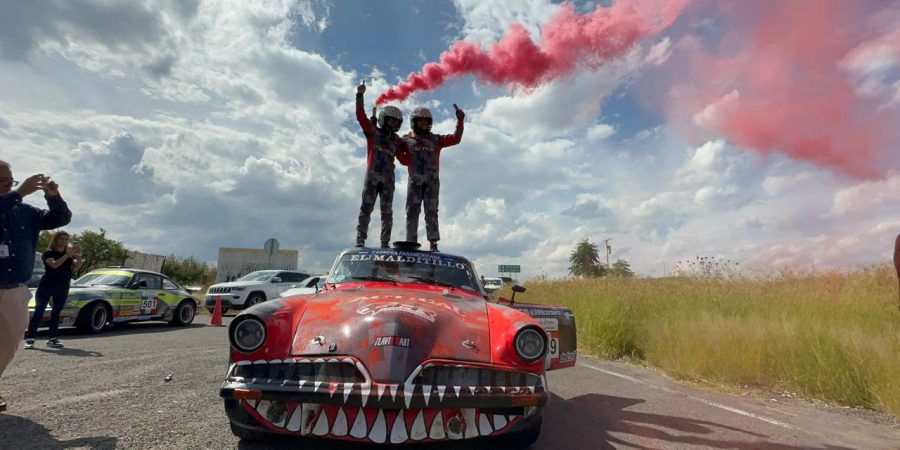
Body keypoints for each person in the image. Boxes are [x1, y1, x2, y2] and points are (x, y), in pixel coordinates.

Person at [0, 160, 72, 412]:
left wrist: (53, 195)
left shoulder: (25, 211)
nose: (9, 184)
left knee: (10, 341)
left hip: (14, 289)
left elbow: (60, 218)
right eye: (3, 181)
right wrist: (18, 192)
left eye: (12, 180)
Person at [398, 104, 465, 251]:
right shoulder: (405, 140)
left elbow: (456, 138)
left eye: (425, 120)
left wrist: (460, 120)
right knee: (412, 212)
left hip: (432, 182)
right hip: (414, 182)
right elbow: (399, 155)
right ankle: (411, 243)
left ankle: (433, 243)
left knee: (431, 211)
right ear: (413, 122)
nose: (423, 123)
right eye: (420, 120)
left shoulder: (436, 139)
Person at [355, 82, 408, 248]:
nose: (394, 124)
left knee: (387, 212)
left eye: (396, 122)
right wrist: (360, 95)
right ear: (384, 119)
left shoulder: (397, 141)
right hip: (372, 175)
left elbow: (404, 160)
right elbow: (360, 116)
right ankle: (360, 239)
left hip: (388, 179)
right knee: (366, 208)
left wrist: (415, 146)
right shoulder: (373, 132)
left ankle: (385, 241)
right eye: (391, 121)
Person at [24, 230, 82, 349]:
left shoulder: (69, 254)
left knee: (56, 313)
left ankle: (52, 338)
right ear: (56, 239)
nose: (64, 241)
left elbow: (76, 266)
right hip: (47, 285)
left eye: (66, 239)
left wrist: (78, 255)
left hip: (62, 287)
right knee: (39, 311)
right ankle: (30, 338)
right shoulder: (48, 253)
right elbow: (54, 265)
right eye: (62, 239)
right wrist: (67, 255)